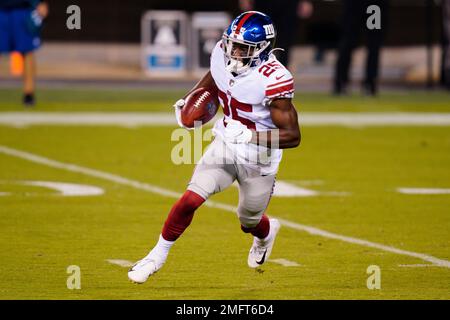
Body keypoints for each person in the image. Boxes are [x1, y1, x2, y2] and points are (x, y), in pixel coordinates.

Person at [128, 11, 301, 284]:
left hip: (260, 159)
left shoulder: (274, 79)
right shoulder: (222, 53)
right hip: (226, 144)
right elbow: (215, 77)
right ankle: (155, 256)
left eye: (242, 47)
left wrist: (249, 135)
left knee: (249, 220)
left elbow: (292, 135)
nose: (234, 51)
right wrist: (191, 99)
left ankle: (265, 236)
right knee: (191, 198)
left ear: (261, 49)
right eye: (232, 43)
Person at [333, 0, 388, 96]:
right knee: (348, 41)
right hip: (355, 4)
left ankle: (370, 83)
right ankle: (341, 82)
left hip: (374, 4)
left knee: (373, 43)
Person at [239, 0, 313, 69]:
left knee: (286, 40)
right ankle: (256, 70)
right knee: (260, 35)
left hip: (287, 4)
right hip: (264, 3)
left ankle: (281, 73)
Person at [0, 0, 48, 106]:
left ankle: (29, 94)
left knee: (27, 51)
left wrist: (40, 2)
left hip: (22, 9)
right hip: (1, 9)